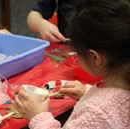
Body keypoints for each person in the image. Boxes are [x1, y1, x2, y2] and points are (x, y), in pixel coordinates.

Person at [12, 0, 130, 128]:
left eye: (77, 52)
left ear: (95, 58)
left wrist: (39, 117)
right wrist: (87, 94)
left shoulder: (96, 112)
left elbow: (102, 115)